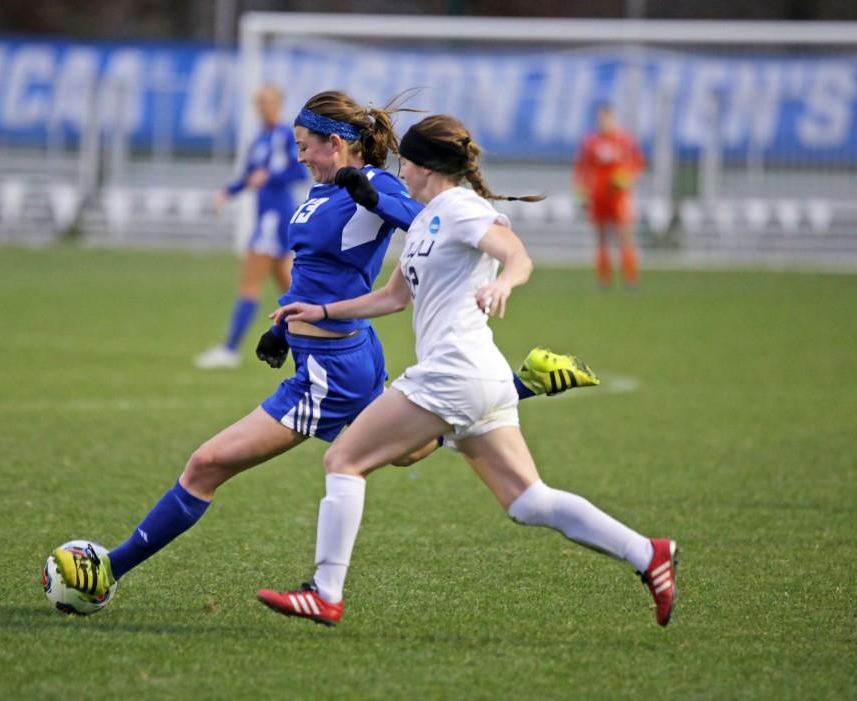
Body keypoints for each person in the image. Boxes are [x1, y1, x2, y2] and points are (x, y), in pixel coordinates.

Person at [50, 91, 596, 604]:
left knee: (206, 464)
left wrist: (480, 261)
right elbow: (317, 269)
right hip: (333, 354)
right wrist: (285, 326)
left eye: (304, 146)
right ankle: (523, 384)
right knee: (406, 449)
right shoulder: (323, 190)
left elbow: (438, 222)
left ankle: (107, 571)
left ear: (334, 143)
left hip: (331, 371)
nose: (301, 156)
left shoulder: (375, 185)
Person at [257, 114, 678, 628]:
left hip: (452, 372)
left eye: (406, 163)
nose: (400, 173)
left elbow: (516, 255)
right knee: (528, 502)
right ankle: (648, 554)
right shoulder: (425, 221)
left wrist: (505, 284)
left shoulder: (460, 208)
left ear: (425, 166)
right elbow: (393, 298)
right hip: (477, 375)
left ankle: (325, 593)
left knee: (344, 460)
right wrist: (318, 312)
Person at [195, 85, 309, 369]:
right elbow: (249, 176)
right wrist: (227, 193)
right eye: (258, 102)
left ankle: (230, 349)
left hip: (276, 218)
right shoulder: (259, 139)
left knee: (250, 283)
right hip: (267, 218)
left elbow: (299, 170)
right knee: (293, 290)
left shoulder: (286, 135)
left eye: (267, 102)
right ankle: (317, 343)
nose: (262, 107)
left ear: (279, 104)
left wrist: (270, 175)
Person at [574, 104, 645, 289]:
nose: (603, 122)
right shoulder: (591, 142)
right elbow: (582, 168)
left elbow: (637, 163)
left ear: (613, 119)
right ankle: (604, 279)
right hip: (598, 192)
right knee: (601, 236)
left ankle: (630, 278)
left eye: (606, 118)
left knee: (624, 235)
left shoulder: (624, 140)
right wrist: (582, 192)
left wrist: (625, 178)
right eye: (600, 119)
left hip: (618, 194)